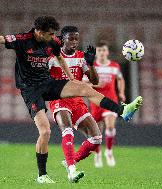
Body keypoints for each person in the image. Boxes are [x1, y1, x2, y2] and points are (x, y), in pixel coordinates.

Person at [0, 16, 142, 184]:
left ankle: (122, 111)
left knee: (84, 88)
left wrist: (69, 78)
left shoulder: (53, 42)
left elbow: (59, 56)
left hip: (47, 83)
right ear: (39, 32)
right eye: (50, 34)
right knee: (45, 132)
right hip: (30, 91)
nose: (53, 37)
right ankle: (42, 175)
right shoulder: (22, 40)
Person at [48, 26, 101, 182]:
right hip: (59, 98)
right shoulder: (52, 57)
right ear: (62, 39)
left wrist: (91, 64)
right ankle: (72, 171)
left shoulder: (81, 57)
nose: (74, 42)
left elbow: (95, 81)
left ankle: (70, 161)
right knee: (67, 130)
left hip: (77, 100)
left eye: (76, 38)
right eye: (71, 38)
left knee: (96, 138)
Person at [90, 40, 125, 168]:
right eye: (99, 50)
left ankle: (109, 152)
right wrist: (96, 84)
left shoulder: (115, 66)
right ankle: (97, 153)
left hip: (111, 100)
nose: (102, 53)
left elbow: (120, 80)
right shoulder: (92, 66)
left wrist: (121, 92)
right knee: (97, 132)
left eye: (104, 50)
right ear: (96, 52)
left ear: (107, 52)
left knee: (110, 126)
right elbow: (84, 84)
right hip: (96, 101)